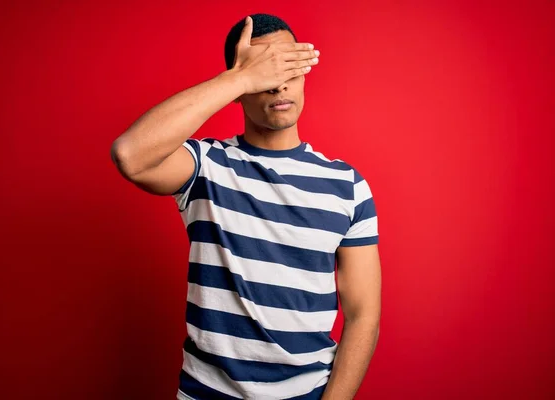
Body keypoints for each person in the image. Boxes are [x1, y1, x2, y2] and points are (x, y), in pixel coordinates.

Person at [111, 13, 381, 400]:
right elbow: (130, 155)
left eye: (288, 66)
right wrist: (237, 77)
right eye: (264, 71)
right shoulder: (206, 166)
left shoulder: (348, 186)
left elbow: (363, 316)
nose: (278, 84)